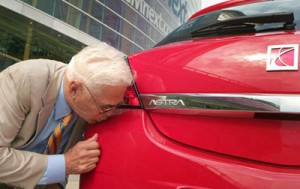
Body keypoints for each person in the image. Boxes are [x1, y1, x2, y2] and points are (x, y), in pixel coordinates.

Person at [0, 43, 134, 189]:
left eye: (116, 106)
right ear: (74, 89)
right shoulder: (23, 80)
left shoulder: (88, 102)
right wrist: (64, 164)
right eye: (105, 107)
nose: (111, 114)